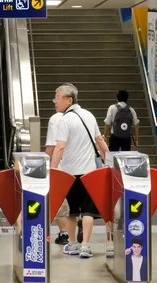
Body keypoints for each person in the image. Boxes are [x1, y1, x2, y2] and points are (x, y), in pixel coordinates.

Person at [50, 84, 109, 258]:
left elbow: (60, 146)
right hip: (90, 172)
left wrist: (53, 170)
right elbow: (99, 139)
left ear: (69, 99)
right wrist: (110, 160)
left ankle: (73, 244)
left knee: (72, 211)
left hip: (70, 173)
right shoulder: (88, 115)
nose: (55, 101)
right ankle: (86, 246)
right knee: (89, 210)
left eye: (58, 97)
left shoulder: (64, 120)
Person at [45, 111, 71, 245]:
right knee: (76, 202)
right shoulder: (84, 116)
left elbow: (52, 146)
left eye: (58, 97)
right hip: (80, 167)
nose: (55, 101)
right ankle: (77, 233)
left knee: (60, 201)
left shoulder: (56, 118)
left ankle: (64, 233)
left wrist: (47, 164)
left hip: (61, 167)